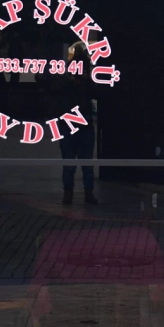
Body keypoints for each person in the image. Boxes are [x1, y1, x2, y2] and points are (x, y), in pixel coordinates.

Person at [55, 41, 98, 207]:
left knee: (69, 163)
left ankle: (69, 193)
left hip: (70, 124)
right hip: (83, 123)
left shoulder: (68, 81)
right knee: (85, 164)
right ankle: (87, 192)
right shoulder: (77, 82)